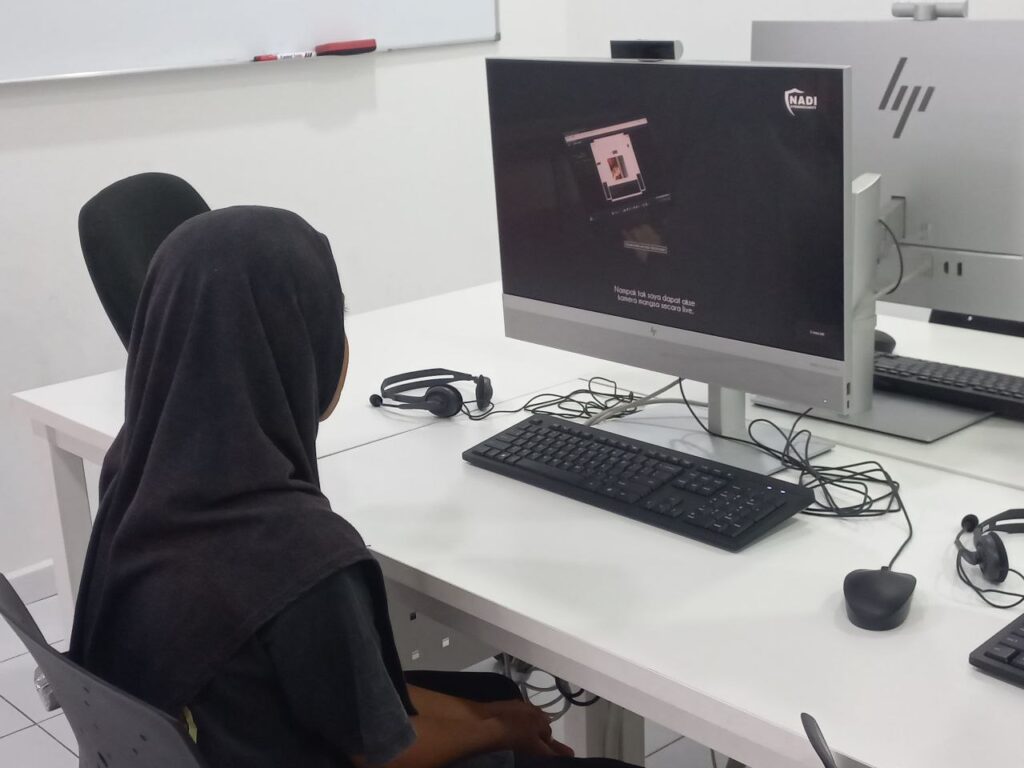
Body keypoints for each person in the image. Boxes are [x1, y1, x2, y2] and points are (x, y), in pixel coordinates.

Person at [69, 206, 638, 768]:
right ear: (303, 351)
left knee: (493, 698)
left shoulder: (134, 472)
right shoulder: (299, 553)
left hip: (220, 736)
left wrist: (494, 718)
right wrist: (502, 728)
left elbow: (354, 698)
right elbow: (384, 753)